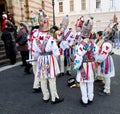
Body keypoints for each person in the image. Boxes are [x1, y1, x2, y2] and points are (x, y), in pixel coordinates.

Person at [32, 9, 64, 104]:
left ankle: (45, 97)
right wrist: (56, 58)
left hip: (41, 59)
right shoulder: (50, 38)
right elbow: (56, 52)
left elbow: (34, 52)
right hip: (50, 59)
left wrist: (38, 57)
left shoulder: (36, 38)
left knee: (42, 79)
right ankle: (54, 98)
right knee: (51, 80)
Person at [73, 17, 99, 106]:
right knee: (91, 82)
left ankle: (85, 100)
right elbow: (96, 56)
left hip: (83, 66)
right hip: (91, 65)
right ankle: (90, 97)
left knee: (83, 83)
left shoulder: (80, 45)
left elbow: (78, 57)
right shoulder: (93, 44)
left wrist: (76, 66)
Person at [96, 23, 116, 96]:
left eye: (106, 32)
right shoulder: (106, 42)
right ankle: (105, 87)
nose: (104, 32)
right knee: (105, 75)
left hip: (105, 60)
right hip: (106, 59)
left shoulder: (106, 44)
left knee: (107, 75)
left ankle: (107, 90)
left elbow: (103, 55)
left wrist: (98, 62)